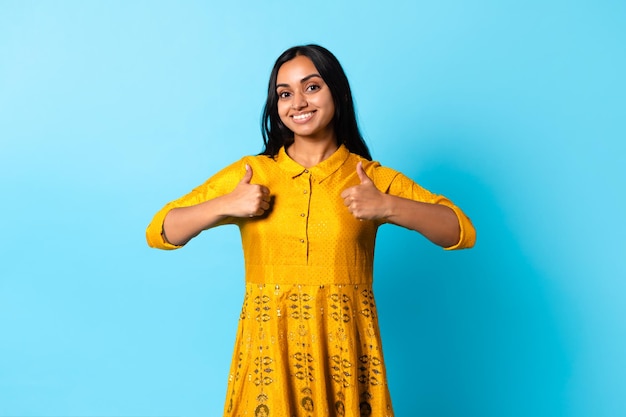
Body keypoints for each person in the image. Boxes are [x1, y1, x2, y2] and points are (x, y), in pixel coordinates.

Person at [146, 44, 475, 416]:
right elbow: (161, 231)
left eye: (312, 87)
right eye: (284, 93)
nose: (298, 102)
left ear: (338, 92)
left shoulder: (369, 177)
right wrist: (225, 205)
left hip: (346, 361)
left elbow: (459, 230)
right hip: (267, 362)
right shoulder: (252, 174)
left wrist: (388, 206)